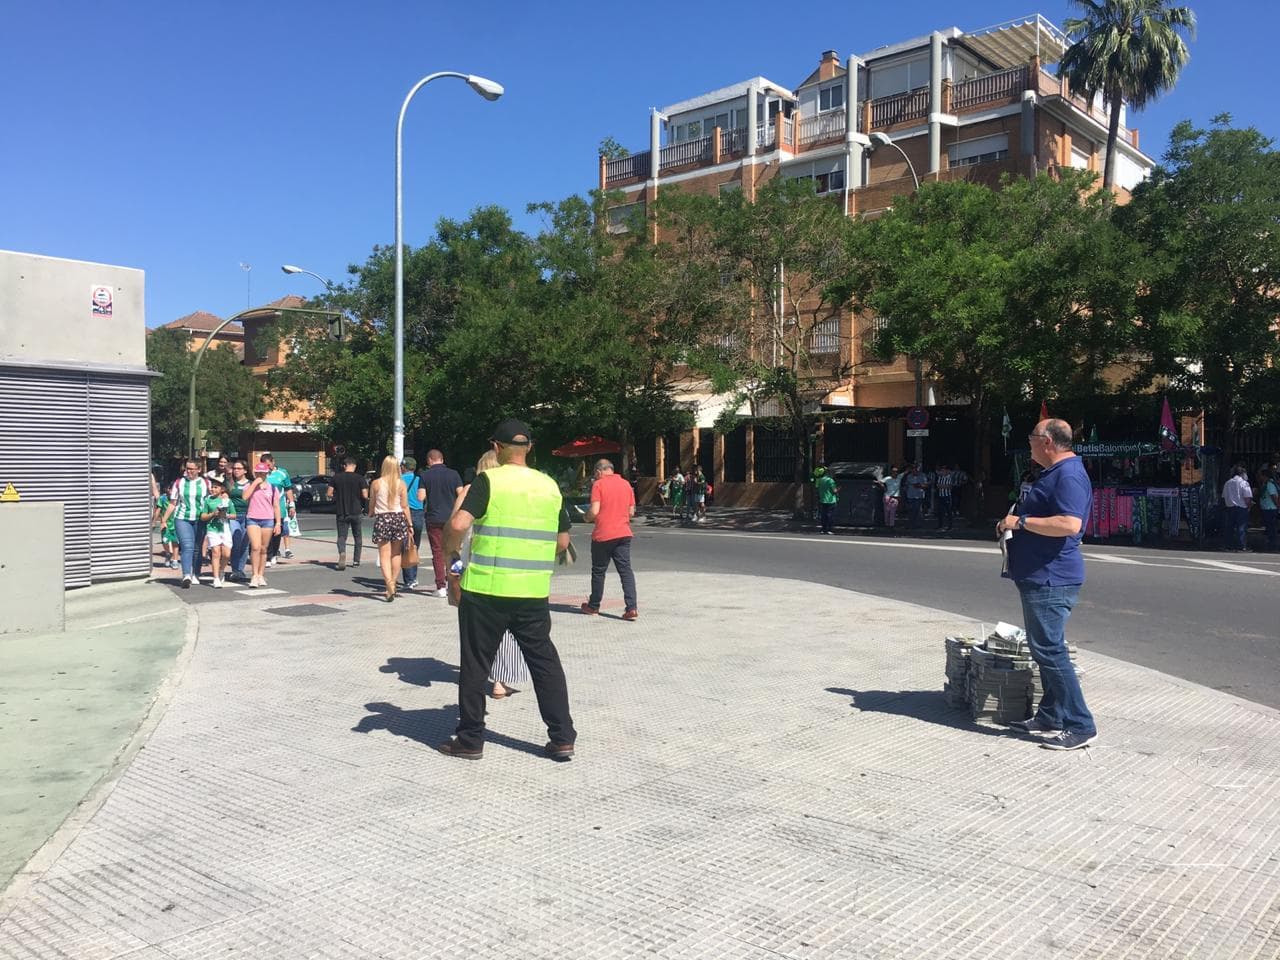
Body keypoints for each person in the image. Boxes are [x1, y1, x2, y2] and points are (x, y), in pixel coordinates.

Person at [439, 419, 577, 761]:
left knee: (475, 666)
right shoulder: (549, 487)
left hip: (486, 590)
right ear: (529, 448)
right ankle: (562, 737)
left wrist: (452, 557)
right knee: (544, 663)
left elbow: (458, 525)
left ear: (496, 448)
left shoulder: (490, 480)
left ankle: (470, 740)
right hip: (531, 592)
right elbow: (562, 543)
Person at [997, 418, 1097, 751]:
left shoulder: (1067, 474)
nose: (1029, 444)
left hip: (1051, 577)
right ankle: (1051, 714)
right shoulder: (1055, 473)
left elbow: (1070, 523)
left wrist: (1020, 522)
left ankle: (1080, 725)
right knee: (1048, 649)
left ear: (1048, 442)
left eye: (1031, 438)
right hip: (1041, 574)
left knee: (1050, 651)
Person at [454, 450, 530, 698]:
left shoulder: (467, 491)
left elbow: (454, 526)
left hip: (469, 567)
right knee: (507, 627)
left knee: (475, 630)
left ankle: (477, 676)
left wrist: (452, 565)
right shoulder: (504, 492)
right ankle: (501, 680)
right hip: (500, 566)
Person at [580, 458, 638, 619]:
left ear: (599, 471)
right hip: (624, 533)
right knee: (625, 571)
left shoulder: (599, 484)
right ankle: (631, 608)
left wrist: (585, 518)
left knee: (599, 571)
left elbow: (594, 510)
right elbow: (631, 511)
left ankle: (593, 606)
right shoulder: (626, 484)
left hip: (603, 534)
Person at [369, 455, 413, 602]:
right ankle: (393, 583)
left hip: (383, 519)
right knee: (396, 554)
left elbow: (372, 504)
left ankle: (388, 583)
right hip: (398, 518)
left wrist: (370, 513)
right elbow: (405, 506)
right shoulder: (401, 484)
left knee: (384, 554)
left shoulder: (376, 483)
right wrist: (410, 524)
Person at [422, 448, 463, 598]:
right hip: (451, 518)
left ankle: (441, 587)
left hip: (433, 518)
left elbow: (421, 497)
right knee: (454, 551)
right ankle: (456, 583)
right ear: (442, 459)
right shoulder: (454, 474)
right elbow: (461, 493)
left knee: (437, 552)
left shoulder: (425, 475)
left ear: (429, 461)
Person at [163, 459, 209, 588]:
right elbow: (173, 503)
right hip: (182, 518)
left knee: (197, 548)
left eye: (192, 469)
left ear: (199, 470)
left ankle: (196, 573)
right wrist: (164, 520)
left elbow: (211, 499)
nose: (189, 471)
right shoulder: (179, 483)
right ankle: (186, 575)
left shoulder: (205, 483)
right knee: (187, 545)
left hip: (200, 519)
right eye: (187, 468)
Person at [243, 462, 281, 587]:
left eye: (262, 473)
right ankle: (254, 575)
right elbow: (245, 497)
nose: (260, 475)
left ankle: (260, 574)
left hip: (268, 519)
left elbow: (276, 506)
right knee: (255, 547)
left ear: (267, 473)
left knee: (264, 548)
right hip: (252, 518)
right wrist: (254, 483)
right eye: (258, 473)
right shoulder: (249, 485)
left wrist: (278, 523)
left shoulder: (272, 488)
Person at [328, 457, 368, 570]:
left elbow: (329, 493)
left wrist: (337, 496)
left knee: (342, 536)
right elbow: (365, 495)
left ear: (344, 466)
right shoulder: (360, 478)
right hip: (356, 511)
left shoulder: (336, 478)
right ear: (354, 466)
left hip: (341, 511)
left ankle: (342, 552)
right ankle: (356, 561)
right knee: (358, 536)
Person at [199, 475, 236, 588]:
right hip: (212, 529)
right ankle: (216, 578)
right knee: (215, 552)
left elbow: (234, 515)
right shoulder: (208, 500)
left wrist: (226, 515)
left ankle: (221, 570)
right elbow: (203, 516)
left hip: (225, 529)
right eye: (212, 487)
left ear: (222, 489)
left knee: (226, 554)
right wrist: (212, 514)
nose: (213, 489)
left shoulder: (227, 501)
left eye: (216, 487)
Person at [261, 454, 296, 565]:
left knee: (277, 533)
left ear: (273, 462)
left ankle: (274, 553)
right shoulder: (262, 474)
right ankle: (268, 555)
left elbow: (288, 489)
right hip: (265, 508)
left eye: (269, 464)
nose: (268, 467)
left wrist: (291, 505)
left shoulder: (283, 473)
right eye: (265, 465)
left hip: (279, 508)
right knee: (267, 532)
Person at [400, 456, 426, 589]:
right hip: (419, 514)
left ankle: (409, 580)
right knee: (414, 546)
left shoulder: (399, 481)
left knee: (406, 547)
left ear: (403, 467)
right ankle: (414, 577)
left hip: (405, 514)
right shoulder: (420, 480)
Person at [226, 460, 252, 582]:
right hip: (233, 516)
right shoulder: (230, 483)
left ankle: (240, 570)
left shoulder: (251, 484)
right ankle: (235, 570)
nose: (236, 470)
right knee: (236, 542)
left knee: (245, 544)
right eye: (234, 468)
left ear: (245, 470)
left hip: (247, 516)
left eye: (239, 468)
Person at [1222, 464, 1253, 552]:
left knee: (1229, 527)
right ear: (1242, 473)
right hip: (1241, 507)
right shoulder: (1244, 483)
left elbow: (1224, 496)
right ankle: (1241, 546)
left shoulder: (1227, 483)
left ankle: (1228, 546)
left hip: (1230, 507)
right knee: (1241, 527)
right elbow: (1247, 497)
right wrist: (1249, 506)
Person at [154, 488, 179, 568]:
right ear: (168, 489)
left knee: (175, 542)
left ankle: (175, 560)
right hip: (165, 524)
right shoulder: (162, 498)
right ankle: (168, 554)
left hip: (176, 524)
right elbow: (158, 510)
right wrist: (154, 521)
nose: (172, 492)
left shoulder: (179, 498)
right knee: (165, 541)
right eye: (171, 489)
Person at [934, 463, 960, 532]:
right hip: (940, 496)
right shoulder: (940, 477)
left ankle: (950, 526)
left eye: (944, 470)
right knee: (940, 512)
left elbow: (949, 487)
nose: (942, 471)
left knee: (949, 511)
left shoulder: (949, 477)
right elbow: (938, 485)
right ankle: (940, 525)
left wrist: (942, 486)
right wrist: (943, 486)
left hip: (947, 496)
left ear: (946, 471)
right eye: (942, 470)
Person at [903, 462, 928, 528]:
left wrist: (920, 485)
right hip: (910, 496)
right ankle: (911, 524)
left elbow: (926, 485)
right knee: (911, 510)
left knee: (918, 510)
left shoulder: (923, 475)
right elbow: (906, 485)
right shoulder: (909, 476)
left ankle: (918, 525)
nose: (914, 470)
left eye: (915, 469)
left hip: (919, 496)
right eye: (913, 469)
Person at [814, 466, 837, 535]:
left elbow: (818, 489)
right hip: (831, 500)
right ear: (830, 473)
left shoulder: (821, 480)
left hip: (822, 500)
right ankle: (829, 529)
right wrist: (839, 489)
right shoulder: (830, 481)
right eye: (833, 473)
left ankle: (823, 529)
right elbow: (834, 491)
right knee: (830, 515)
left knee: (823, 515)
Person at [1259, 469, 1278, 552]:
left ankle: (1273, 545)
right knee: (1269, 528)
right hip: (1267, 508)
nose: (1260, 477)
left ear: (1265, 476)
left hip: (1270, 509)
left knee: (1272, 528)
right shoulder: (1265, 484)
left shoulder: (1270, 484)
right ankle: (1271, 543)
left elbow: (1274, 496)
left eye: (1261, 476)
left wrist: (1278, 506)